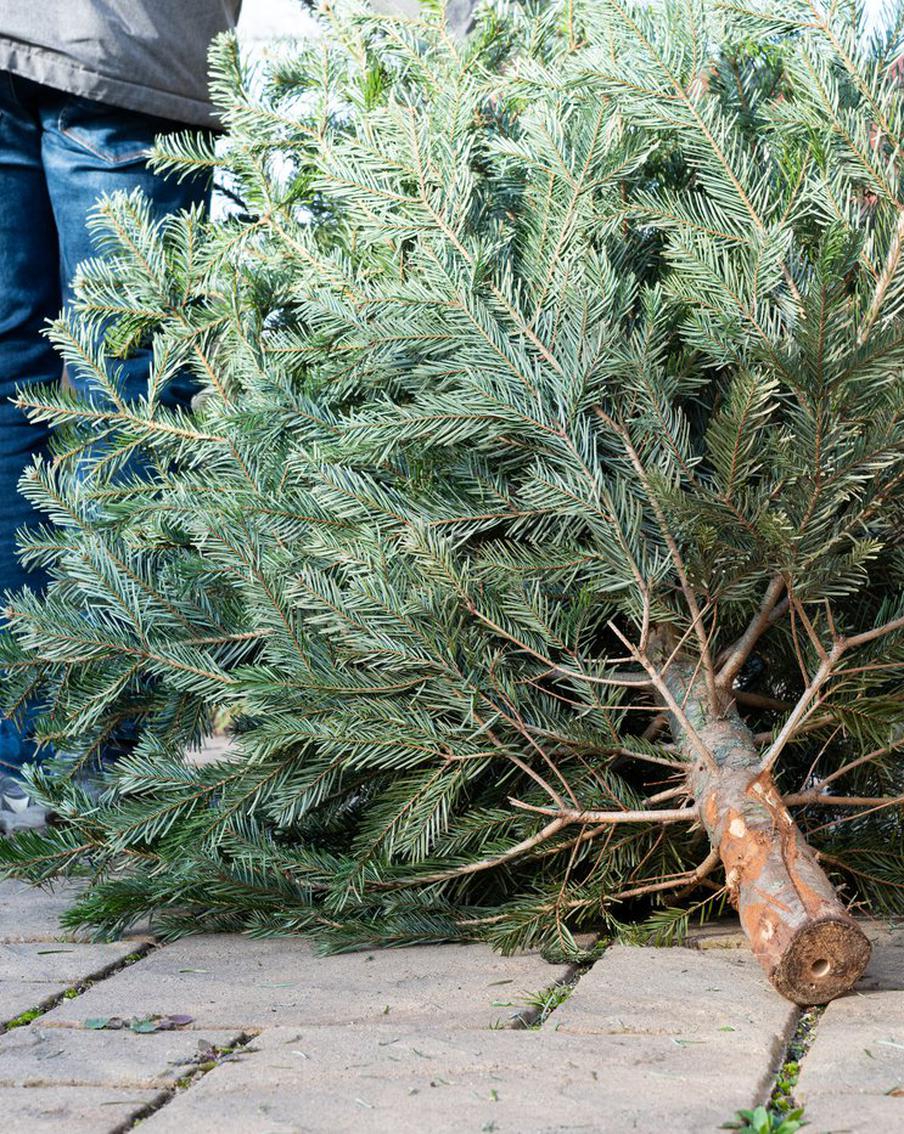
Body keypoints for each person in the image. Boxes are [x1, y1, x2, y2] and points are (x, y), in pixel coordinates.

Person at [0, 2, 242, 831]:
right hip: (124, 45)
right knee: (129, 394)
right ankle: (107, 757)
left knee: (14, 388)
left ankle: (21, 752)